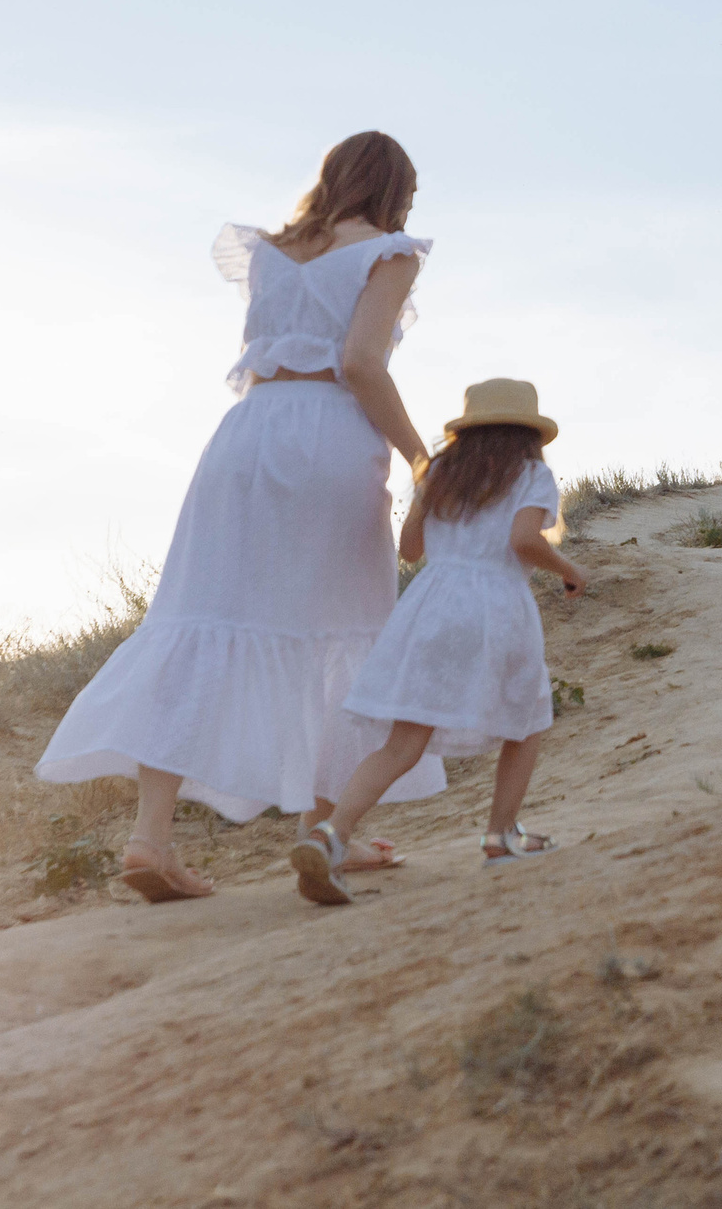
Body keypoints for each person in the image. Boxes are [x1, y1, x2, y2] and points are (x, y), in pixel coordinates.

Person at [35, 131, 447, 900]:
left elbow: (263, 355)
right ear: (390, 191)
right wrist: (422, 457)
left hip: (246, 434)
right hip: (327, 436)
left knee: (201, 615)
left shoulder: (271, 251)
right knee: (339, 626)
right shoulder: (391, 252)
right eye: (408, 198)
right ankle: (326, 831)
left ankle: (148, 839)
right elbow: (361, 361)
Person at [290, 378, 584, 905]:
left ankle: (330, 835)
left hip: (432, 604)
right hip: (496, 605)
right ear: (529, 434)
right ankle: (501, 835)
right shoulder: (533, 474)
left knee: (404, 742)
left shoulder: (442, 474)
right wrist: (569, 569)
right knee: (528, 718)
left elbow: (409, 548)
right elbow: (522, 541)